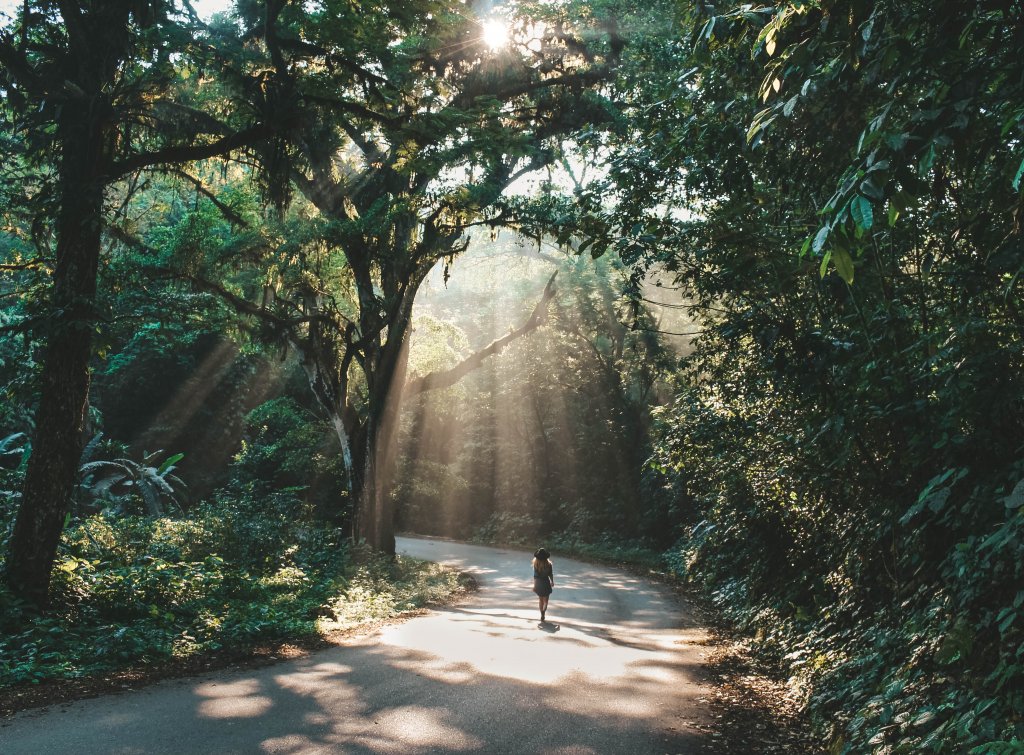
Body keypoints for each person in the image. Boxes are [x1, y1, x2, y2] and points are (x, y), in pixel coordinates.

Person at [532, 548, 554, 622]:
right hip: (545, 583)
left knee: (540, 600)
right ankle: (543, 612)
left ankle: (542, 614)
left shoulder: (536, 565)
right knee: (546, 601)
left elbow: (535, 576)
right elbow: (550, 574)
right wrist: (552, 581)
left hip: (538, 583)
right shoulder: (549, 564)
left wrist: (534, 586)